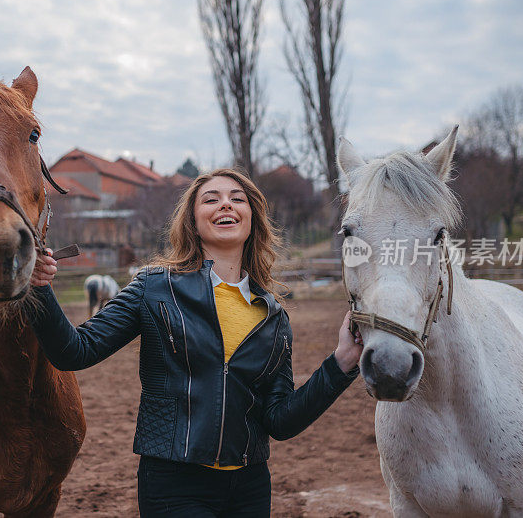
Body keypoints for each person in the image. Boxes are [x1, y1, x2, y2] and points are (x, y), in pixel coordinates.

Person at [30, 168, 362, 517]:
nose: (225, 205)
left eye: (237, 199)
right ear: (192, 219)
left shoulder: (273, 317)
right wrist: (39, 289)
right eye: (211, 199)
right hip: (175, 485)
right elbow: (73, 350)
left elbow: (281, 421)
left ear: (252, 218)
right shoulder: (155, 287)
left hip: (250, 488)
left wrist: (340, 363)